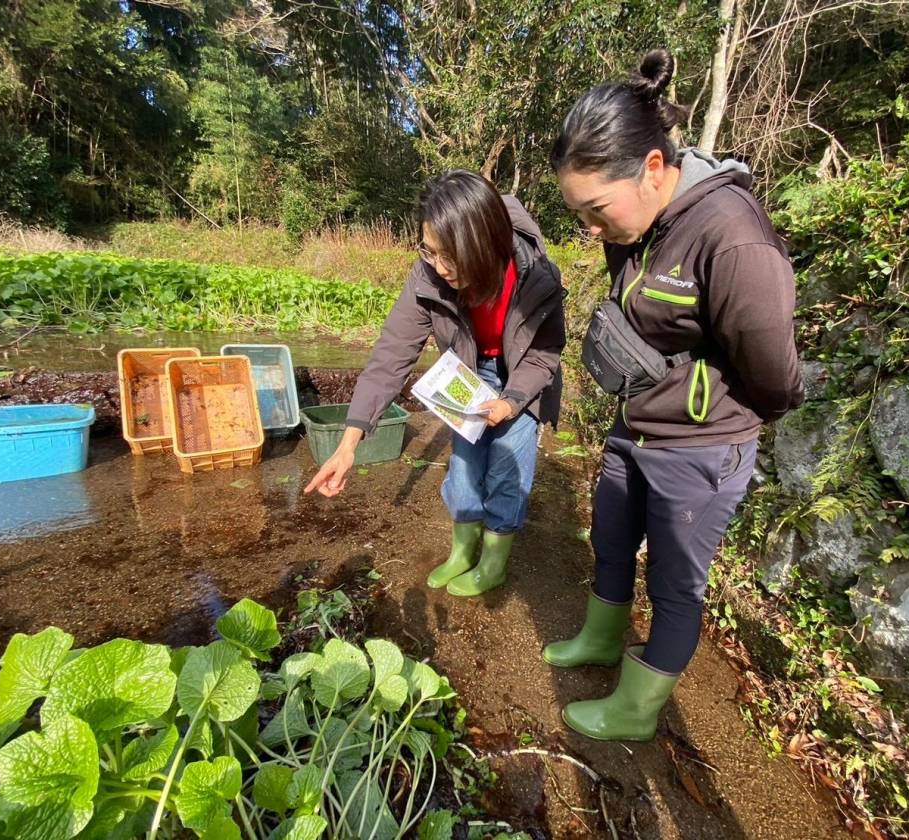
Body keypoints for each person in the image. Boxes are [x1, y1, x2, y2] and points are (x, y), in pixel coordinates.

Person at [542, 48, 804, 740]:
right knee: (611, 537)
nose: (592, 231)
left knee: (675, 585)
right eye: (579, 215)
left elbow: (774, 374)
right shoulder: (638, 222)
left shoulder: (733, 238)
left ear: (654, 168)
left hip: (702, 447)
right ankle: (601, 640)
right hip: (637, 426)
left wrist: (718, 415)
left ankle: (634, 710)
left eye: (597, 210)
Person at [304, 170, 566, 597]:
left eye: (452, 257)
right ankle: (463, 551)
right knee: (465, 461)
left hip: (521, 374)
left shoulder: (536, 274)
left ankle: (494, 562)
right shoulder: (429, 274)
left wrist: (513, 400)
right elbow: (392, 352)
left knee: (507, 466)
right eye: (431, 251)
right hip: (470, 368)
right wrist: (349, 443)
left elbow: (544, 353)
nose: (441, 268)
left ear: (488, 247)